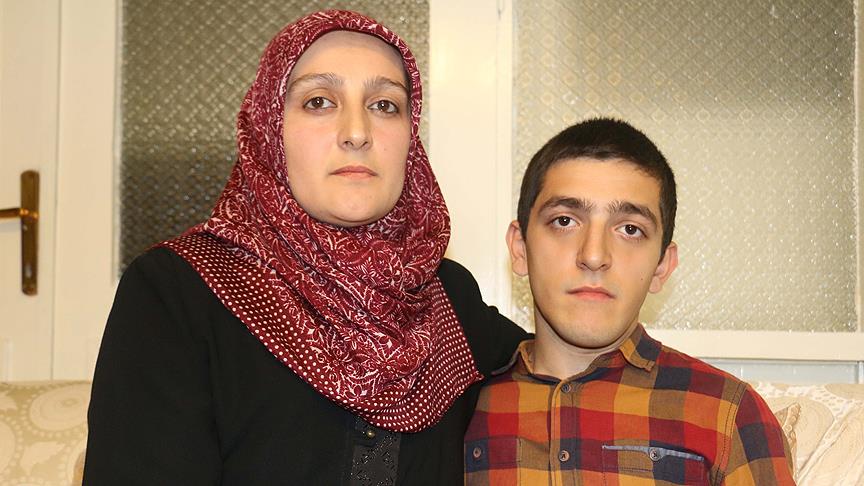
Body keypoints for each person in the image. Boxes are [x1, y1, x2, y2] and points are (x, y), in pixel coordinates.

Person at [83, 9, 525, 485]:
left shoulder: (443, 296)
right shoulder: (179, 293)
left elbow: (556, 359)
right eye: (319, 102)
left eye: (385, 105)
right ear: (269, 129)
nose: (357, 132)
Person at [464, 118, 795, 485]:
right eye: (564, 221)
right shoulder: (457, 408)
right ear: (520, 248)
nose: (594, 255)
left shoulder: (729, 415)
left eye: (630, 229)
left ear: (661, 266)